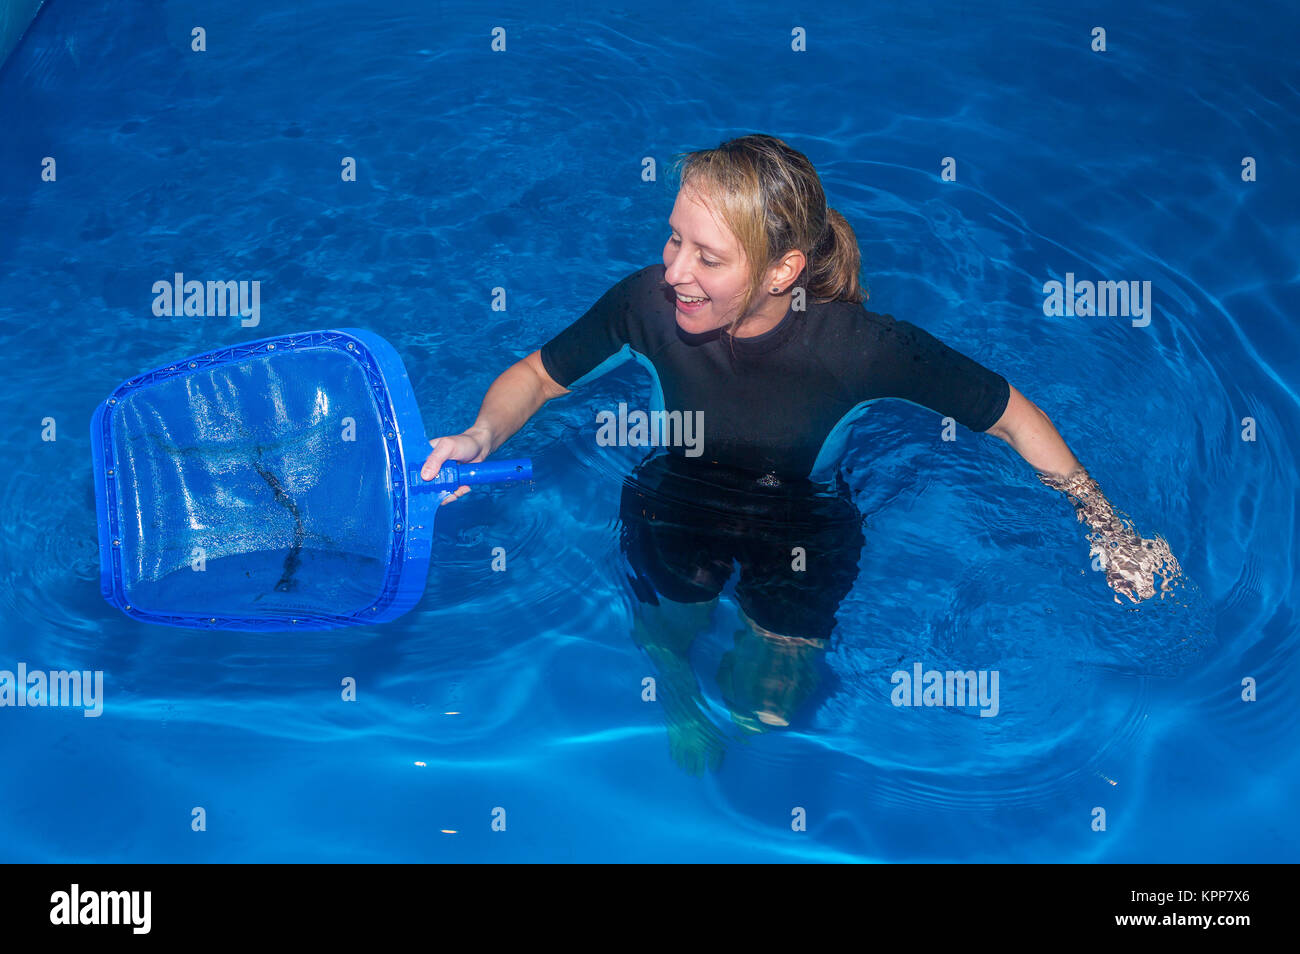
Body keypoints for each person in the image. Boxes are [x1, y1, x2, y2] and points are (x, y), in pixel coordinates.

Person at [420, 134, 1182, 774]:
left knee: (768, 706)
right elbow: (538, 377)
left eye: (706, 257)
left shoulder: (859, 349)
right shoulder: (647, 306)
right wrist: (480, 435)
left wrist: (1107, 529)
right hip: (674, 497)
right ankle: (681, 698)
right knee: (668, 636)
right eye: (674, 239)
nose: (676, 270)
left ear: (783, 271)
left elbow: (1014, 416)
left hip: (803, 522)